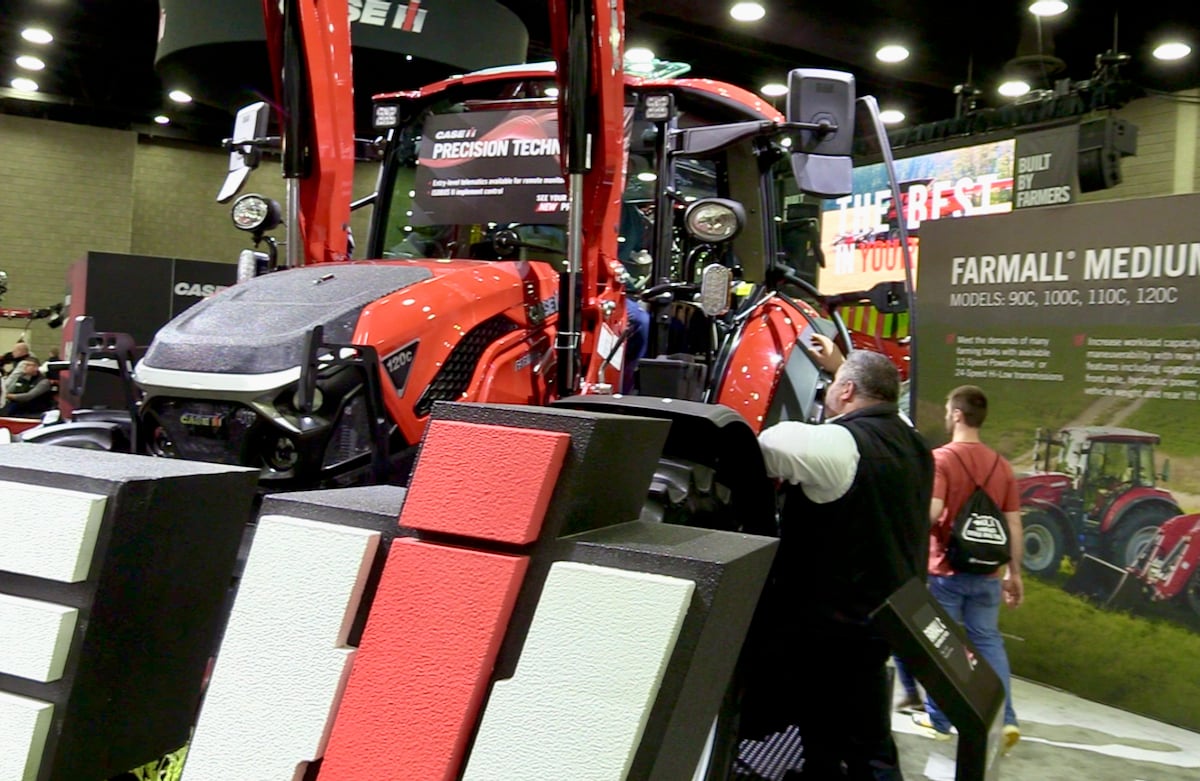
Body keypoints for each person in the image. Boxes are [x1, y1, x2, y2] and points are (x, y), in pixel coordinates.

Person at [751, 337, 934, 780]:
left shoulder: (838, 446)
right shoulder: (914, 442)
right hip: (885, 613)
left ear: (848, 392)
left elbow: (769, 443)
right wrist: (840, 363)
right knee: (829, 720)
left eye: (834, 383)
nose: (829, 389)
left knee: (866, 742)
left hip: (836, 625)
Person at [913, 385, 1023, 754]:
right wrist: (1015, 573)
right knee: (988, 641)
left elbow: (931, 512)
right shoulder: (1001, 465)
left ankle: (940, 720)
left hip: (945, 570)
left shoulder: (941, 459)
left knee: (943, 645)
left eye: (948, 409)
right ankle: (1004, 718)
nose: (946, 414)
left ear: (957, 415)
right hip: (988, 574)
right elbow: (1014, 525)